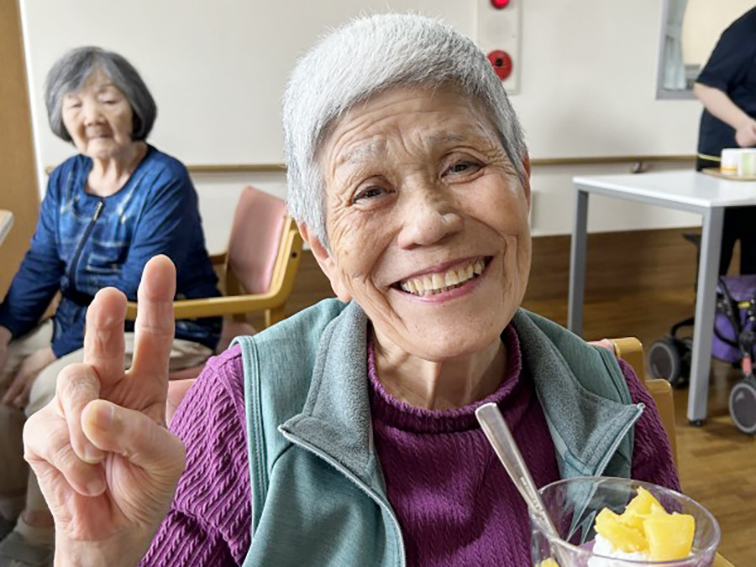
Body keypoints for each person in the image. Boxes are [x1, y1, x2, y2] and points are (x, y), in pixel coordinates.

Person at [23, 15, 678, 567]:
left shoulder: (613, 401)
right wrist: (95, 555)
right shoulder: (234, 412)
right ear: (327, 252)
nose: (429, 221)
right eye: (370, 190)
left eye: (464, 163)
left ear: (522, 180)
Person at [0, 47, 221, 566]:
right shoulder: (65, 179)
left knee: (51, 389)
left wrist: (49, 349)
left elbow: (133, 285)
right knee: (5, 366)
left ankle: (38, 534)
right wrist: (7, 327)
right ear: (60, 116)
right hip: (85, 322)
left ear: (134, 107)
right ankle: (14, 507)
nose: (91, 116)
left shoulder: (163, 179)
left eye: (107, 99)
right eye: (74, 103)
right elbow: (40, 264)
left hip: (159, 324)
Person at [694, 6, 756, 275]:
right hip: (726, 154)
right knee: (720, 246)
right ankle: (708, 314)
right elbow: (706, 86)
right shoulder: (747, 29)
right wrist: (742, 123)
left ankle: (747, 314)